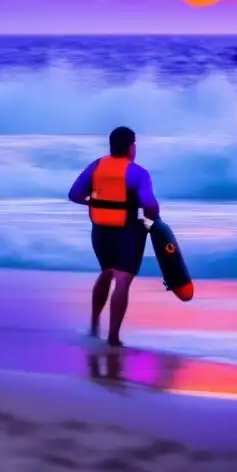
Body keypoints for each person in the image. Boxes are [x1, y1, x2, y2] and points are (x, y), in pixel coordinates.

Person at [68, 126, 160, 348]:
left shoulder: (96, 166)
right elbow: (149, 205)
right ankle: (113, 337)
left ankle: (93, 325)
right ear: (131, 147)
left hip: (100, 231)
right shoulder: (138, 173)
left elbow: (74, 195)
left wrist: (98, 202)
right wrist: (153, 221)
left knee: (107, 272)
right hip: (127, 231)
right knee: (122, 280)